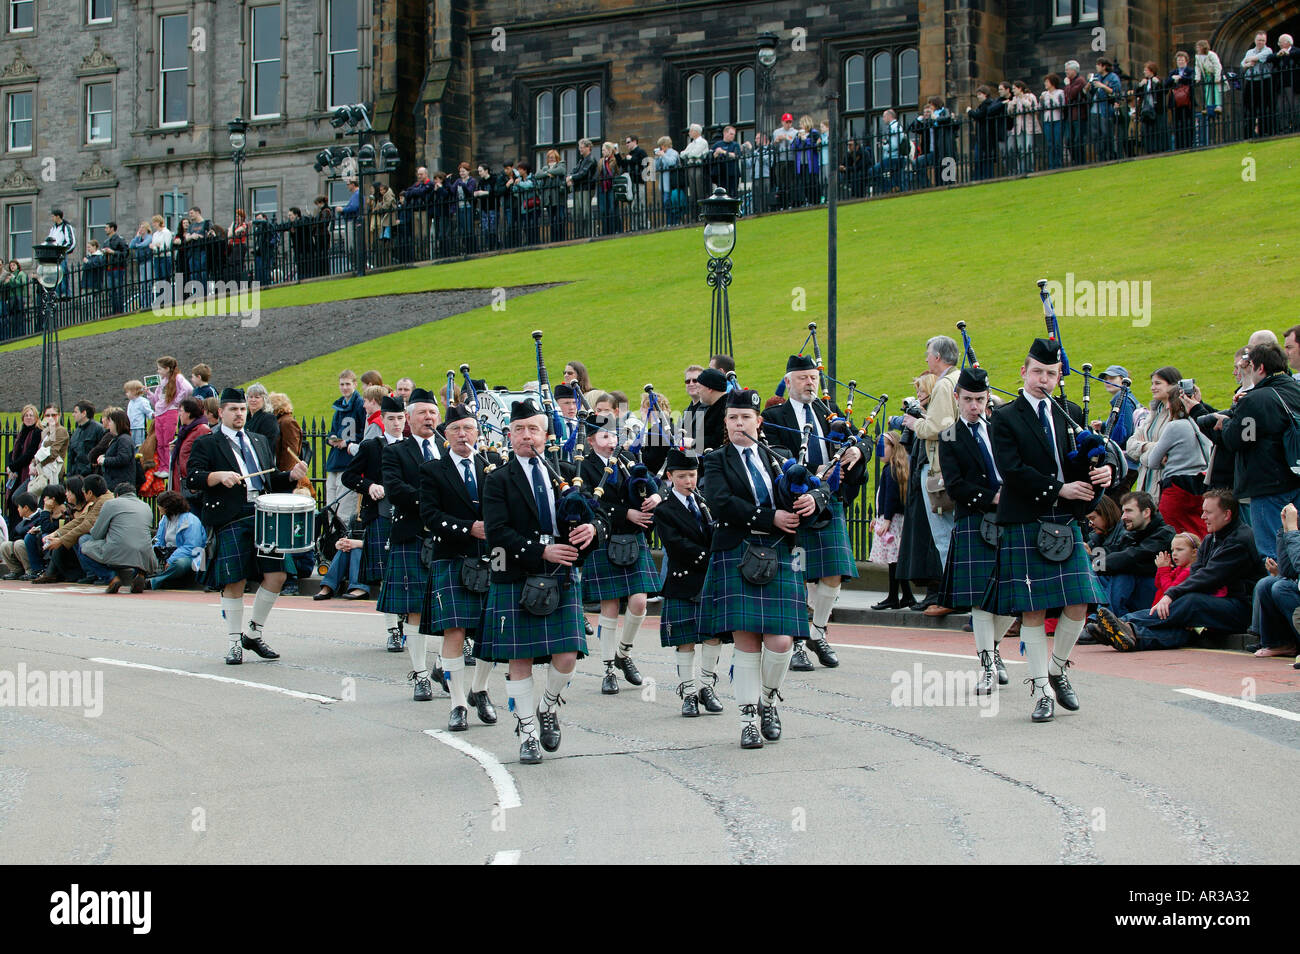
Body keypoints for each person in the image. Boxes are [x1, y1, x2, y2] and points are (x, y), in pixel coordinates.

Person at [984, 338, 1112, 722]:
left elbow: (1084, 465)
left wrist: (1104, 474)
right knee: (1034, 610)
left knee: (1080, 601)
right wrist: (1058, 488)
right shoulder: (1005, 417)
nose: (1044, 380)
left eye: (1051, 374)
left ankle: (1057, 669)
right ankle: (1041, 690)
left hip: (1064, 522)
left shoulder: (1069, 412)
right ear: (1024, 372)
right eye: (1038, 372)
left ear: (1059, 376)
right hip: (1026, 518)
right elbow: (1012, 470)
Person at [698, 388, 826, 748]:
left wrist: (813, 499)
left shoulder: (780, 457)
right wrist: (772, 517)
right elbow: (721, 503)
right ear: (725, 424)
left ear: (759, 421)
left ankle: (769, 699)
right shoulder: (716, 460)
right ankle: (748, 718)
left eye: (746, 418)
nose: (740, 424)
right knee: (747, 643)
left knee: (782, 640)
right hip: (738, 551)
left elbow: (820, 488)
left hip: (778, 553)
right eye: (733, 418)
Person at [477, 400, 602, 765]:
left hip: (560, 576)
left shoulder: (565, 474)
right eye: (520, 429)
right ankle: (528, 732)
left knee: (565, 656)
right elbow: (497, 533)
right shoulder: (497, 479)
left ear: (547, 436)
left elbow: (600, 516)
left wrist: (592, 528)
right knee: (520, 659)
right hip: (518, 574)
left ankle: (548, 706)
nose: (527, 436)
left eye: (534, 429)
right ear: (510, 435)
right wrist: (540, 552)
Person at [185, 387, 309, 664]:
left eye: (242, 409)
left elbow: (269, 480)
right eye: (233, 410)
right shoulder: (208, 443)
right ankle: (233, 644)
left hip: (264, 515)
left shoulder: (259, 440)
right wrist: (216, 476)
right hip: (232, 515)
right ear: (221, 413)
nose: (239, 414)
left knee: (277, 576)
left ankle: (253, 634)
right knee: (235, 580)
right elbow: (192, 478)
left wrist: (290, 475)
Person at [762, 353, 864, 669]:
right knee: (799, 574)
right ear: (789, 381)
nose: (811, 383)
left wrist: (859, 450)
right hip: (797, 501)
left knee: (833, 573)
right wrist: (810, 472)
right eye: (804, 378)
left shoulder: (828, 411)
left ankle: (817, 632)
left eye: (814, 378)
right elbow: (776, 455)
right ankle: (796, 642)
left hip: (829, 501)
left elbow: (862, 438)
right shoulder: (774, 416)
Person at [418, 403, 501, 730]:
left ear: (477, 433)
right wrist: (468, 527)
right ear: (445, 435)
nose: (462, 435)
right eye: (455, 430)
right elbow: (430, 515)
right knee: (454, 630)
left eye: (468, 429)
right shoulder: (433, 470)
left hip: (491, 558)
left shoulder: (492, 465)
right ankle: (457, 704)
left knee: (489, 631)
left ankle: (479, 689)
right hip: (451, 555)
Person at [1094, 490, 1261, 651]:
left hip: (1239, 610)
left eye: (1208, 512)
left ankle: (1122, 623)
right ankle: (1134, 635)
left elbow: (1209, 576)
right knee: (1182, 625)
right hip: (1215, 603)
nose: (1203, 517)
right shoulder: (1212, 538)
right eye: (1203, 511)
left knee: (1191, 602)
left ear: (1227, 515)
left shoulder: (1240, 540)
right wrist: (1175, 594)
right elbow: (1197, 572)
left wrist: (1172, 594)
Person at [935, 367, 1016, 693]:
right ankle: (986, 664)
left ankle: (993, 649)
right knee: (981, 601)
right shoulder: (950, 436)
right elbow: (955, 486)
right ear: (957, 398)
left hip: (1011, 518)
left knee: (1014, 599)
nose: (974, 406)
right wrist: (994, 496)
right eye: (967, 399)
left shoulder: (1000, 428)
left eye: (979, 399)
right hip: (975, 519)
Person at [579, 412, 662, 694]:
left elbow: (654, 483)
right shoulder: (585, 467)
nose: (611, 440)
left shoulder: (627, 460)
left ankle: (623, 654)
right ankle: (607, 669)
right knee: (610, 607)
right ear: (591, 441)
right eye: (604, 436)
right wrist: (627, 513)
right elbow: (590, 503)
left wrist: (656, 496)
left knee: (639, 602)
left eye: (614, 435)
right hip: (605, 538)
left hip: (633, 538)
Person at [380, 388, 446, 699]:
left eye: (433, 413)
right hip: (413, 535)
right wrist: (433, 503)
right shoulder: (396, 452)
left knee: (453, 610)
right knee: (416, 610)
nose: (428, 418)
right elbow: (395, 490)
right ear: (409, 418)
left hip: (449, 538)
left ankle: (444, 665)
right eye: (422, 413)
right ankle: (420, 674)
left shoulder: (451, 449)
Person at [652, 448, 728, 716]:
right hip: (683, 580)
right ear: (671, 476)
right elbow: (676, 545)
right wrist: (710, 557)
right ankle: (687, 693)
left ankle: (707, 687)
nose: (689, 481)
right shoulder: (664, 510)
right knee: (685, 641)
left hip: (707, 580)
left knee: (712, 637)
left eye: (693, 475)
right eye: (683, 476)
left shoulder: (704, 503)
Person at [1219, 342, 1300, 559]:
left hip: (1268, 485)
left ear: (1260, 368)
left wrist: (1226, 423)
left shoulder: (1256, 399)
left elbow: (1238, 440)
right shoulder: (1295, 389)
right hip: (1296, 475)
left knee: (1274, 555)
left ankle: (1281, 590)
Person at [340, 395, 406, 629]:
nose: (396, 423)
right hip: (379, 513)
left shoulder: (411, 445)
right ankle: (392, 629)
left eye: (400, 418)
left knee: (405, 573)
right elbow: (348, 476)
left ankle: (404, 623)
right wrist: (369, 486)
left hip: (406, 516)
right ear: (383, 419)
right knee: (387, 574)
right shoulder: (371, 446)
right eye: (391, 419)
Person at [902, 335, 960, 575]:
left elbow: (938, 428)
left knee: (944, 534)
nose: (926, 359)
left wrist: (916, 424)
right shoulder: (960, 378)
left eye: (928, 354)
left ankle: (953, 590)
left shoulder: (945, 385)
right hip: (957, 465)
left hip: (939, 468)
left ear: (937, 357)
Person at [1093, 491, 1175, 617]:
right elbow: (1114, 551)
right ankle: (1105, 618)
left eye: (1129, 511)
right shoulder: (1133, 534)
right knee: (1094, 575)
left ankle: (1107, 618)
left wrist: (1098, 563)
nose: (1123, 517)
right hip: (1130, 593)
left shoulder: (1165, 534)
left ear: (1146, 512)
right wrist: (1090, 557)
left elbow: (1133, 556)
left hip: (1154, 596)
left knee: (1124, 570)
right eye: (1123, 511)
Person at [78, 483, 158, 593]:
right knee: (133, 549)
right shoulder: (146, 506)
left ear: (117, 495)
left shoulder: (111, 504)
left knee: (84, 543)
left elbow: (96, 534)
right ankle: (140, 574)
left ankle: (111, 578)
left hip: (118, 550)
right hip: (145, 555)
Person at [870, 430, 916, 609]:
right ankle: (906, 596)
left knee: (893, 559)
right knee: (895, 559)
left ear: (893, 447)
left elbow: (891, 497)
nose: (880, 451)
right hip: (896, 519)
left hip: (892, 520)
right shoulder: (897, 467)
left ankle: (894, 596)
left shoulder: (890, 469)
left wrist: (886, 519)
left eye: (883, 447)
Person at [324, 370, 365, 521]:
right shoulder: (339, 406)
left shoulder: (360, 404)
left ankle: (343, 540)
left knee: (344, 509)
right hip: (335, 461)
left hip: (349, 461)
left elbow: (364, 434)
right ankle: (331, 541)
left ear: (355, 384)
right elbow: (333, 430)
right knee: (330, 507)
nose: (345, 387)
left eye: (348, 384)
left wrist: (347, 443)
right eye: (342, 384)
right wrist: (332, 439)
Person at [144, 491, 205, 590]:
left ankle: (153, 582)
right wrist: (153, 553)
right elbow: (159, 540)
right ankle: (156, 579)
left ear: (167, 507)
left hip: (193, 557)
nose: (158, 508)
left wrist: (171, 559)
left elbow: (192, 547)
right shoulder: (165, 519)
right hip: (169, 554)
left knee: (179, 564)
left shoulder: (191, 520)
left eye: (159, 505)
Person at [148, 356, 193, 477]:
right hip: (159, 413)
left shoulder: (178, 378)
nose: (158, 371)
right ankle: (163, 467)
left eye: (160, 369)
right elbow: (157, 400)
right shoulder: (162, 382)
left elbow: (188, 389)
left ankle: (169, 467)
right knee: (160, 442)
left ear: (167, 368)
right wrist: (148, 393)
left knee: (168, 441)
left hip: (170, 412)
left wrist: (176, 402)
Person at [96, 409, 137, 491]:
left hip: (120, 484)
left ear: (117, 423)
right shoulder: (118, 439)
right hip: (115, 483)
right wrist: (105, 456)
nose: (109, 424)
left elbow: (123, 458)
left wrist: (105, 460)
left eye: (110, 421)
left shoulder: (123, 439)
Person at [65, 400, 104, 479]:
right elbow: (71, 456)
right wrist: (69, 475)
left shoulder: (98, 429)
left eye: (76, 412)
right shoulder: (76, 432)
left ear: (84, 413)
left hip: (91, 474)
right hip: (76, 474)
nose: (73, 415)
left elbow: (102, 450)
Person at [123, 380, 154, 448]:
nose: (126, 394)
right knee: (131, 444)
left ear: (134, 391)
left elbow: (148, 411)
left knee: (138, 445)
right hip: (131, 427)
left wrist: (152, 415)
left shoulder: (142, 401)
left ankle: (139, 457)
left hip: (139, 427)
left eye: (128, 392)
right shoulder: (130, 402)